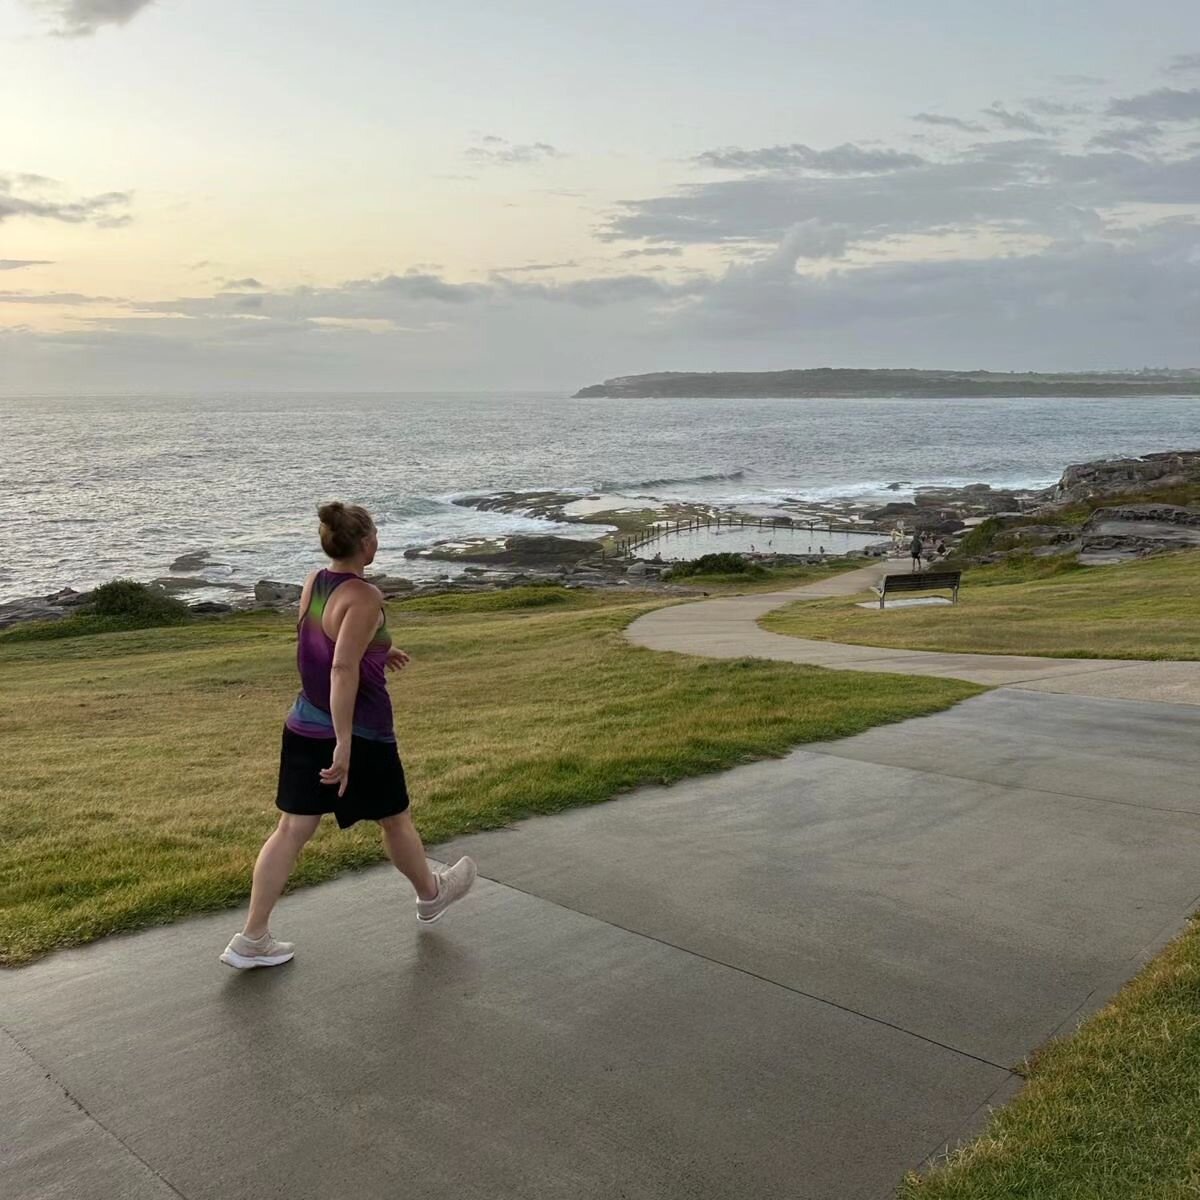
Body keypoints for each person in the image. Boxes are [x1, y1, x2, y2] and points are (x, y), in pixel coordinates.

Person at [220, 501, 476, 969]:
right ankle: (432, 895)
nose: (378, 542)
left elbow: (324, 642)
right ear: (365, 544)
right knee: (395, 818)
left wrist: (379, 649)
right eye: (375, 535)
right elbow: (340, 666)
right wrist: (343, 742)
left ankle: (251, 938)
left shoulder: (316, 583)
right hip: (358, 734)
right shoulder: (365, 596)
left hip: (303, 724)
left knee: (291, 828)